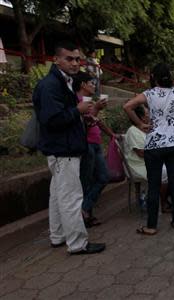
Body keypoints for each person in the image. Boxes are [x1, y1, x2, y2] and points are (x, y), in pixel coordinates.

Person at [32, 41, 105, 254]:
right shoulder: (51, 85)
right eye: (69, 59)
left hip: (64, 147)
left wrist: (84, 114)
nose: (74, 63)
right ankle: (77, 243)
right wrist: (78, 110)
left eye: (77, 59)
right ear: (56, 59)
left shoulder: (64, 82)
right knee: (71, 197)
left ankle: (58, 236)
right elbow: (51, 119)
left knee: (57, 195)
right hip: (63, 149)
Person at [123, 63, 174, 235]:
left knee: (154, 185)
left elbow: (127, 107)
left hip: (154, 144)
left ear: (153, 77)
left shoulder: (149, 94)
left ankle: (151, 226)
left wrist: (140, 124)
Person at [73, 72, 113, 227]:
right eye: (91, 83)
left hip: (95, 144)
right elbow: (84, 124)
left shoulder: (89, 102)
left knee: (103, 177)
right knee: (86, 181)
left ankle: (85, 209)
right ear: (83, 84)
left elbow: (95, 121)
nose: (94, 86)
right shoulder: (77, 101)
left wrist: (112, 134)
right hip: (86, 144)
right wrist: (96, 108)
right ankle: (85, 215)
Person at [124, 106, 170, 212]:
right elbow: (141, 153)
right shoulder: (133, 131)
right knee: (165, 171)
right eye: (147, 114)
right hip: (138, 165)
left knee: (173, 166)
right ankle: (162, 204)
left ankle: (165, 198)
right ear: (141, 117)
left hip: (149, 161)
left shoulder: (145, 128)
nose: (149, 115)